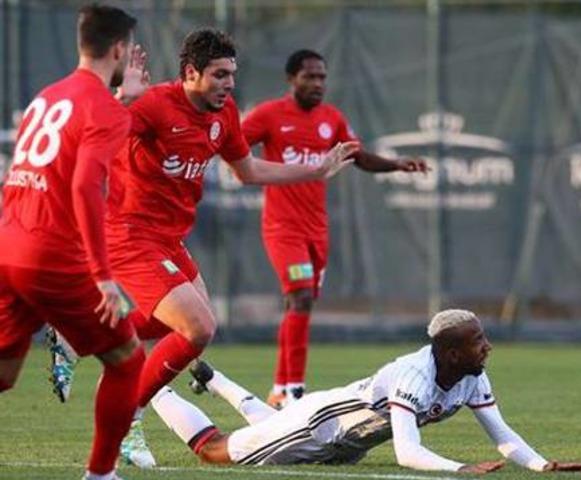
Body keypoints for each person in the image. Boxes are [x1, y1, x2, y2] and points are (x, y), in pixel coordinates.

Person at [47, 29, 358, 469]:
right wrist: (122, 99)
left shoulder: (223, 112)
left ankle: (78, 338)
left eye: (232, 74)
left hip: (169, 237)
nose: (229, 84)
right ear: (190, 73)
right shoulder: (154, 104)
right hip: (127, 233)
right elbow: (95, 136)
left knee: (180, 325)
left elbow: (247, 171)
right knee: (198, 328)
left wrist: (314, 171)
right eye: (219, 74)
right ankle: (126, 415)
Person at [151, 309, 581, 474]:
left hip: (345, 442)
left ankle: (212, 378)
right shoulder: (413, 376)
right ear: (452, 353)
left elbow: (502, 433)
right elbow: (407, 453)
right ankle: (149, 387)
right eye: (479, 341)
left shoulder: (472, 374)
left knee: (270, 426)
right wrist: (461, 469)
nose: (488, 346)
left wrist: (542, 465)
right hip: (317, 428)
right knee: (214, 451)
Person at [0, 5, 149, 479]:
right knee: (127, 360)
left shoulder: (47, 96)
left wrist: (122, 100)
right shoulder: (104, 108)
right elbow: (85, 185)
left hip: (8, 245)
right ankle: (100, 475)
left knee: (4, 375)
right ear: (120, 48)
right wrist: (103, 276)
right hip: (49, 256)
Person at [241, 49, 428, 408]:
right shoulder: (269, 115)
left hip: (317, 230)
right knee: (300, 297)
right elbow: (233, 144)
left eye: (322, 77)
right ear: (291, 79)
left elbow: (359, 157)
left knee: (300, 305)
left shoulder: (331, 119)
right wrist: (241, 166)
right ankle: (295, 391)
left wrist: (396, 164)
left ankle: (279, 387)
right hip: (283, 228)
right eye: (309, 76)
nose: (317, 83)